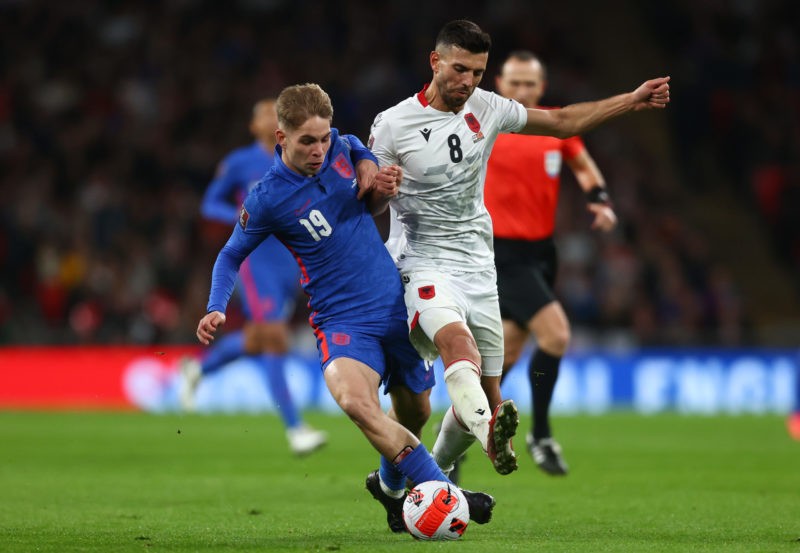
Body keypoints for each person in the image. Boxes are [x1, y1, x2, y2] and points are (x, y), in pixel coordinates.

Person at [369, 19, 669, 480]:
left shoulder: (488, 108)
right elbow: (367, 209)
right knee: (457, 347)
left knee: (489, 384)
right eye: (459, 69)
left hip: (479, 266)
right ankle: (492, 431)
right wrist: (379, 192)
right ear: (435, 61)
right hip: (422, 262)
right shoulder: (392, 125)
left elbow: (564, 122)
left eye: (477, 72)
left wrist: (630, 101)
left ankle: (413, 478)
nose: (467, 81)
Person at [195, 83, 495, 533]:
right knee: (357, 403)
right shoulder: (266, 198)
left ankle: (391, 489)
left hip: (394, 309)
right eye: (306, 142)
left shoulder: (340, 146)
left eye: (322, 138)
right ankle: (448, 494)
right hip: (341, 321)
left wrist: (372, 173)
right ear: (282, 139)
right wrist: (216, 305)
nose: (319, 150)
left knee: (415, 412)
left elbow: (354, 145)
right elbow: (230, 254)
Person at [483, 50, 617, 475]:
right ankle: (540, 434)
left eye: (529, 84)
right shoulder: (484, 124)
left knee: (506, 351)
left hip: (541, 253)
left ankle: (461, 438)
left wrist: (599, 200)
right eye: (514, 83)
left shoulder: (556, 126)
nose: (522, 91)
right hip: (498, 252)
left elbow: (583, 164)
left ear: (541, 88)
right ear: (499, 85)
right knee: (556, 334)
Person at [180, 99, 328, 456]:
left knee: (260, 338)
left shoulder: (298, 159)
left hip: (290, 260)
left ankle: (200, 369)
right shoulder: (239, 163)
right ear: (254, 126)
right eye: (263, 112)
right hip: (255, 261)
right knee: (275, 337)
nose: (271, 117)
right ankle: (296, 429)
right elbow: (208, 205)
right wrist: (240, 213)